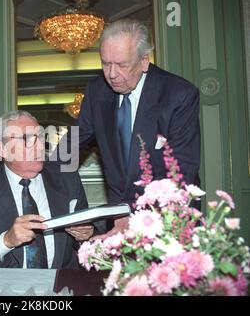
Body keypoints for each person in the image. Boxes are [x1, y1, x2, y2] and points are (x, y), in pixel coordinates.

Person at [72, 19, 201, 237]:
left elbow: (182, 173)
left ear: (144, 62)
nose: (111, 74)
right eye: (105, 64)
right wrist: (38, 173)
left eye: (121, 65)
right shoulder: (96, 90)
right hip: (117, 218)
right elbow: (73, 143)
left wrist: (136, 217)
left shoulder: (179, 94)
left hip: (166, 217)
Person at [0, 110, 93, 268]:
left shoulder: (68, 179)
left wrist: (85, 237)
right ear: (2, 150)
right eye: (27, 139)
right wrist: (6, 240)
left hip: (60, 285)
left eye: (40, 137)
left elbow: (88, 245)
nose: (40, 146)